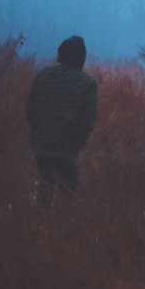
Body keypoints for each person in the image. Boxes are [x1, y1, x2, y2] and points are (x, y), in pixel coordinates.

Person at [25, 35, 98, 208]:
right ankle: (64, 227)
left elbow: (30, 107)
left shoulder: (44, 74)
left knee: (45, 183)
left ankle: (41, 225)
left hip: (41, 142)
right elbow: (88, 118)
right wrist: (78, 142)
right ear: (81, 56)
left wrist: (38, 131)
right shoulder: (87, 83)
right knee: (69, 190)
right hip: (67, 146)